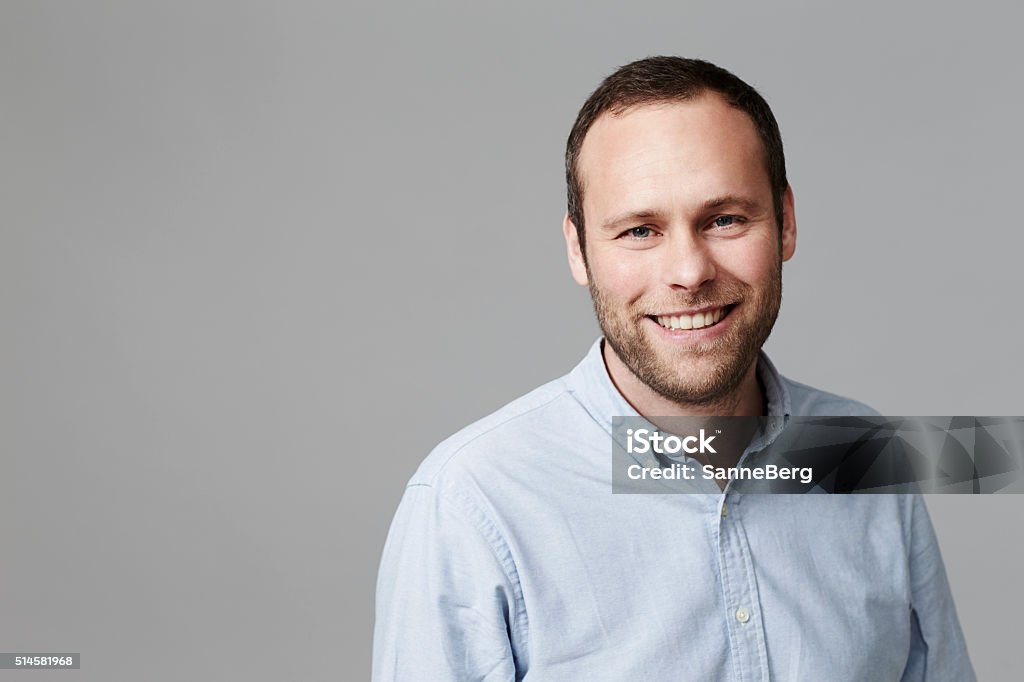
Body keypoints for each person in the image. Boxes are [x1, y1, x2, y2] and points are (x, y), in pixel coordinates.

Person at [372, 56, 974, 680]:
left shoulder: (863, 455)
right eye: (639, 231)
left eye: (724, 219)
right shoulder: (473, 502)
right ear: (578, 250)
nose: (689, 272)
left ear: (786, 222)